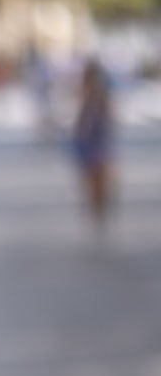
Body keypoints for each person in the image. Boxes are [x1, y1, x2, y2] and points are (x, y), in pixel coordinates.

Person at [72, 56, 115, 243]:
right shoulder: (89, 96)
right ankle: (96, 212)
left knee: (98, 180)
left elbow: (106, 120)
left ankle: (99, 212)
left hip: (97, 144)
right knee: (93, 181)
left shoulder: (100, 97)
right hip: (92, 145)